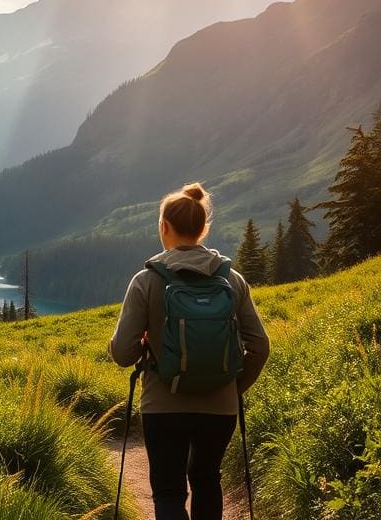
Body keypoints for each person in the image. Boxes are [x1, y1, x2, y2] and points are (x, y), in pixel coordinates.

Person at [109, 182, 269, 520]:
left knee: (168, 492)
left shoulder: (146, 280)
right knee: (207, 478)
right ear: (203, 228)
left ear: (163, 227)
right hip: (220, 407)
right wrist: (232, 385)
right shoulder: (233, 280)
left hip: (163, 405)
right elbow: (260, 347)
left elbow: (123, 354)